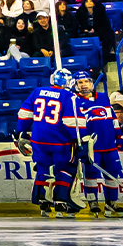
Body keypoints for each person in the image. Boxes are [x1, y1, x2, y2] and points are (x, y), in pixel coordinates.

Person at [15, 67, 82, 218]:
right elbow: (71, 121)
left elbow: (24, 114)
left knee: (43, 169)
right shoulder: (69, 96)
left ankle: (43, 202)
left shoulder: (38, 91)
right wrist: (79, 140)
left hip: (38, 140)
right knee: (64, 169)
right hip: (61, 141)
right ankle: (60, 201)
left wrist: (22, 132)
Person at [72, 72, 123, 219]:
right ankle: (93, 202)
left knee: (113, 174)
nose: (84, 84)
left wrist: (119, 136)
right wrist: (80, 144)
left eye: (87, 81)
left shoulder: (103, 97)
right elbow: (74, 126)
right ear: (75, 85)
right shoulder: (73, 101)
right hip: (91, 147)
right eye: (80, 82)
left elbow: (112, 119)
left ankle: (111, 204)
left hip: (109, 145)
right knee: (91, 174)